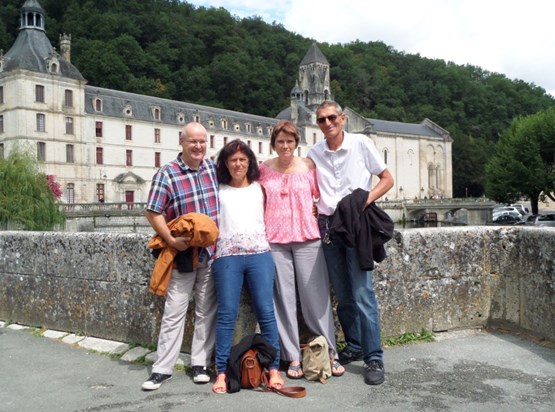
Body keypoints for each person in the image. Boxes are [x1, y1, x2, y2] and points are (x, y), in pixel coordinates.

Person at [308, 101, 394, 386]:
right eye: (321, 120)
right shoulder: (314, 153)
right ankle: (355, 345)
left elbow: (387, 179)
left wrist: (361, 202)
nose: (327, 123)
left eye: (332, 117)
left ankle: (374, 357)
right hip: (330, 229)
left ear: (343, 119)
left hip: (356, 227)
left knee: (362, 294)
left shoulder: (361, 143)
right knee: (343, 294)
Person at [258, 120, 344, 379]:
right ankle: (292, 355)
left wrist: (318, 210)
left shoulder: (308, 167)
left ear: (296, 143)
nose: (285, 146)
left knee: (315, 298)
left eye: (290, 141)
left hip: (307, 236)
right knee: (282, 300)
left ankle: (329, 351)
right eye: (281, 141)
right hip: (275, 240)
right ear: (274, 143)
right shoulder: (263, 170)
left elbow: (322, 196)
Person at [142, 122, 219, 391]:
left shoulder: (211, 167)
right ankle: (162, 368)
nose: (198, 146)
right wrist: (172, 240)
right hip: (183, 255)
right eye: (192, 141)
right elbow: (153, 211)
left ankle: (200, 363)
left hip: (210, 252)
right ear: (182, 142)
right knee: (174, 311)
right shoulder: (168, 173)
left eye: (202, 141)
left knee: (205, 311)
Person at [211, 139, 283, 394]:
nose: (238, 164)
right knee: (226, 313)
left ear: (250, 162)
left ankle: (273, 367)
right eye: (233, 160)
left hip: (259, 255)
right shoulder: (218, 190)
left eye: (243, 159)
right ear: (226, 164)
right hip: (227, 256)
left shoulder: (259, 189)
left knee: (266, 311)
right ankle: (220, 371)